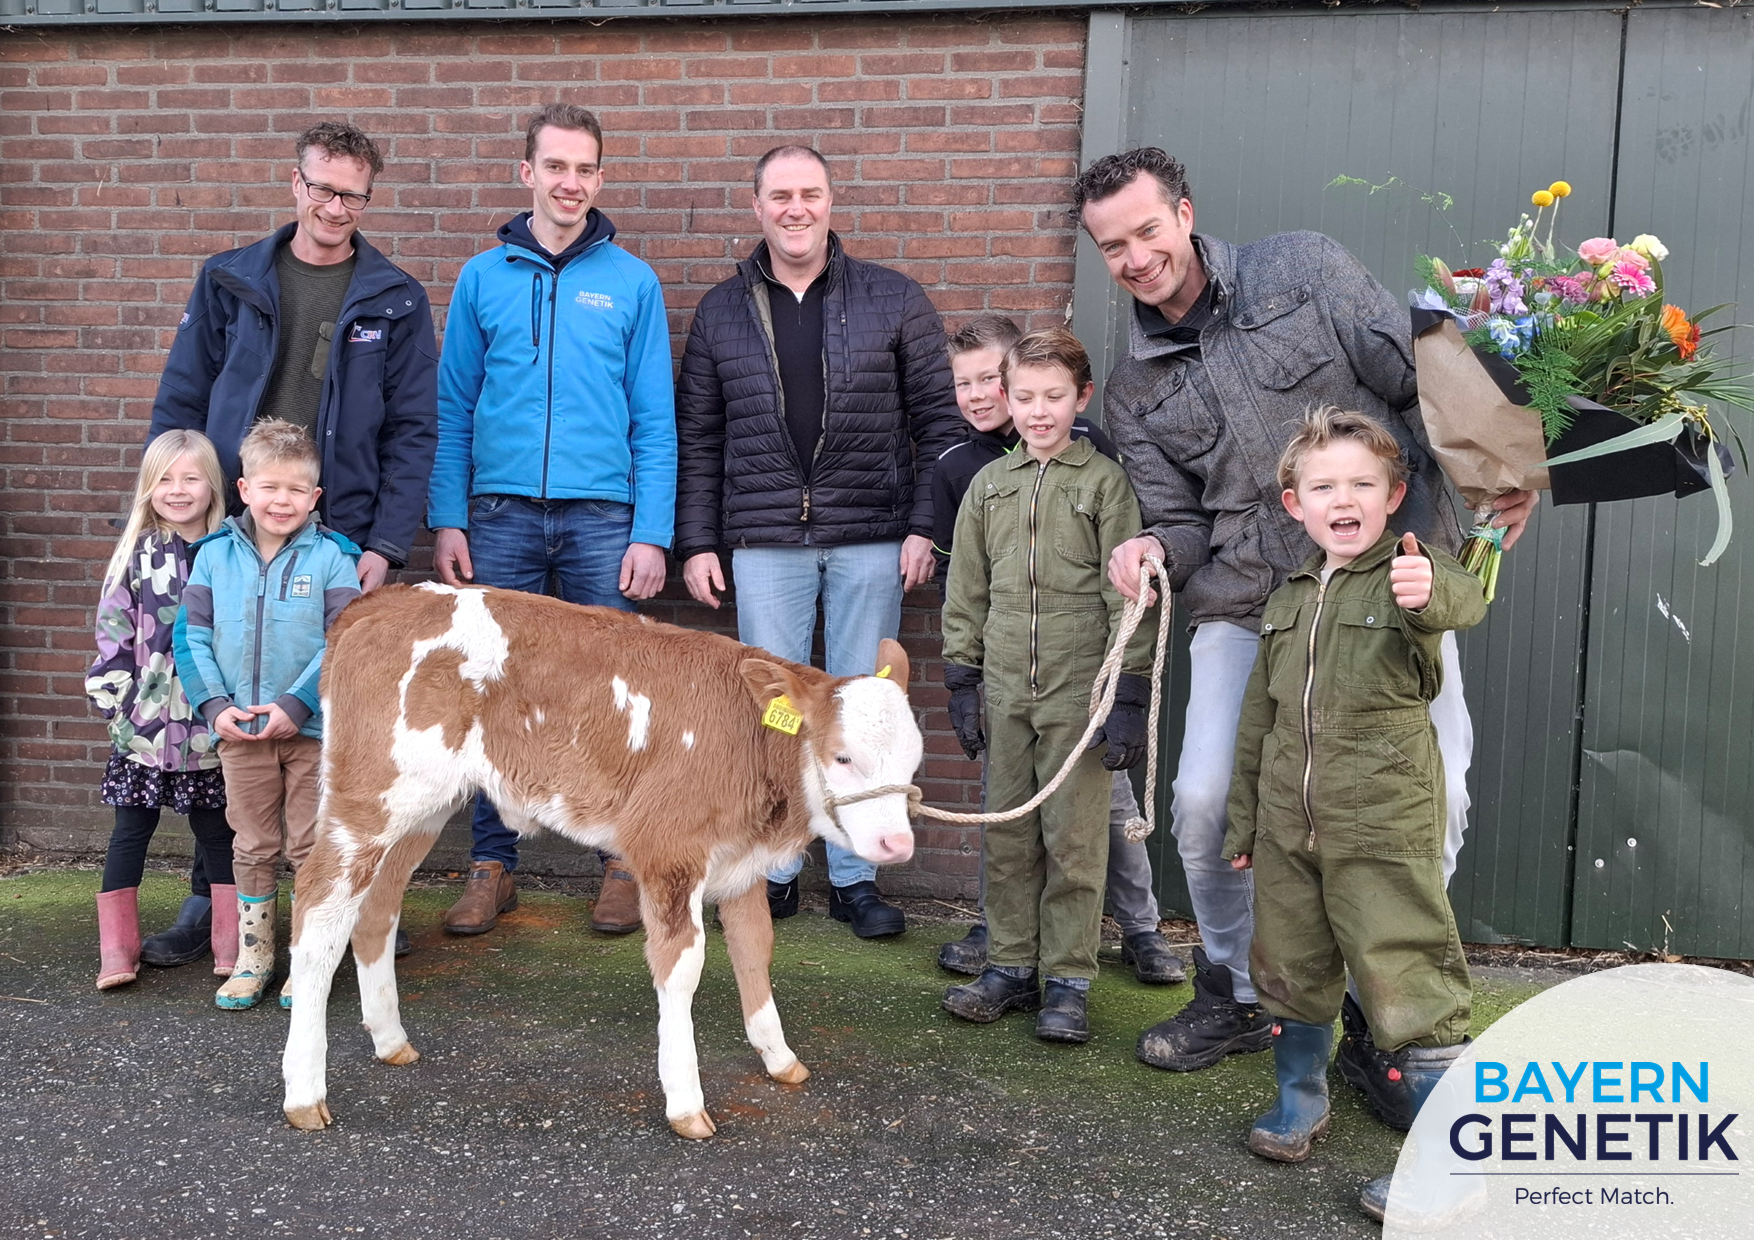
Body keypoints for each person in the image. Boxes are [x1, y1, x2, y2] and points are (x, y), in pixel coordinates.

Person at [1072, 148, 1537, 1083]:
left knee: (1436, 798)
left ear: (1184, 214)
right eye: (1112, 247)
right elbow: (1180, 522)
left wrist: (1500, 471)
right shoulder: (1135, 388)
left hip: (1391, 588)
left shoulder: (1305, 269)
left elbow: (1421, 383)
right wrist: (1149, 548)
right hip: (1249, 604)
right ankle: (1241, 989)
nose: (1135, 258)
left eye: (1147, 231)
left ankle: (1379, 1003)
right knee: (1206, 802)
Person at [675, 145, 964, 939]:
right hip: (764, 540)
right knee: (776, 717)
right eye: (780, 195)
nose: (795, 208)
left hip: (872, 537)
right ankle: (775, 869)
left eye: (809, 193)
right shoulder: (722, 310)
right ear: (757, 205)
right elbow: (699, 437)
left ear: (831, 201)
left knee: (863, 715)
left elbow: (939, 423)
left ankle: (853, 877)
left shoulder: (893, 299)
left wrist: (924, 526)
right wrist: (697, 542)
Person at [1223, 407, 1484, 1217]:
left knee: (1409, 976)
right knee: (1289, 965)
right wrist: (1243, 820)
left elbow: (1461, 599)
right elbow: (1259, 720)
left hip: (1382, 825)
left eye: (1363, 484)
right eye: (1324, 486)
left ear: (1394, 496)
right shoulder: (1287, 599)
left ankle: (1455, 1164)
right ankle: (1300, 1099)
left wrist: (1429, 588)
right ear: (1294, 504)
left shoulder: (1410, 573)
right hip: (1288, 827)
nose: (1345, 498)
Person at [428, 103, 676, 938]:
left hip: (605, 516)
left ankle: (621, 860)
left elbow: (655, 418)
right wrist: (448, 515)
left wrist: (651, 530)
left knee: (615, 692)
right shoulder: (481, 278)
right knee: (494, 687)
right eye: (556, 166)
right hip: (498, 514)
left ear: (600, 179)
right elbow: (453, 406)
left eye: (585, 169)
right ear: (527, 172)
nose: (571, 183)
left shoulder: (632, 282)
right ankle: (492, 865)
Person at [930, 314, 1183, 988]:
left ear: (1082, 397)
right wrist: (962, 679)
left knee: (1075, 841)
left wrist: (1128, 693)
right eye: (1025, 397)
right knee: (1008, 835)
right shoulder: (987, 487)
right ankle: (1010, 964)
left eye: (1054, 396)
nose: (1039, 411)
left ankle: (1069, 977)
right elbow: (967, 589)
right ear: (1008, 399)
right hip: (1006, 691)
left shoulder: (1104, 484)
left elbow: (1127, 598)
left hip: (1080, 693)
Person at [147, 120, 438, 596]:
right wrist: (166, 514)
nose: (335, 209)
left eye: (352, 196)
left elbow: (412, 431)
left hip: (337, 535)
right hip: (226, 526)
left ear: (367, 199)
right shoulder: (227, 281)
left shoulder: (398, 300)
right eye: (323, 190)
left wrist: (384, 545)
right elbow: (183, 399)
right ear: (296, 183)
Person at [175, 420, 362, 1010]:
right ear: (244, 489)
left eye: (296, 490)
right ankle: (254, 958)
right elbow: (190, 638)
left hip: (313, 733)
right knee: (252, 846)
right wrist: (215, 706)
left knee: (309, 846)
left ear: (314, 497)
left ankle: (309, 962)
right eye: (270, 487)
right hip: (240, 732)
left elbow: (345, 640)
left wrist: (294, 704)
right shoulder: (212, 558)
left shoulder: (333, 558)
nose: (282, 501)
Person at [86, 430, 237, 989]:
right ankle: (117, 951)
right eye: (165, 479)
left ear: (213, 485)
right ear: (149, 487)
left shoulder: (229, 552)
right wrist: (117, 701)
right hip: (143, 724)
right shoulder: (137, 553)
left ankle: (232, 943)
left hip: (209, 724)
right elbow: (113, 631)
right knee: (130, 828)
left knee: (217, 832)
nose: (178, 490)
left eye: (191, 478)